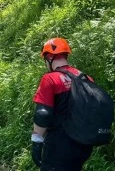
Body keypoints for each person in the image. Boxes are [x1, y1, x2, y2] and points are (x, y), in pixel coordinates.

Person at [31, 38, 94, 170]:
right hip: (83, 145)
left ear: (49, 57)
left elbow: (43, 114)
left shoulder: (50, 79)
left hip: (59, 147)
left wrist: (36, 143)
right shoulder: (85, 78)